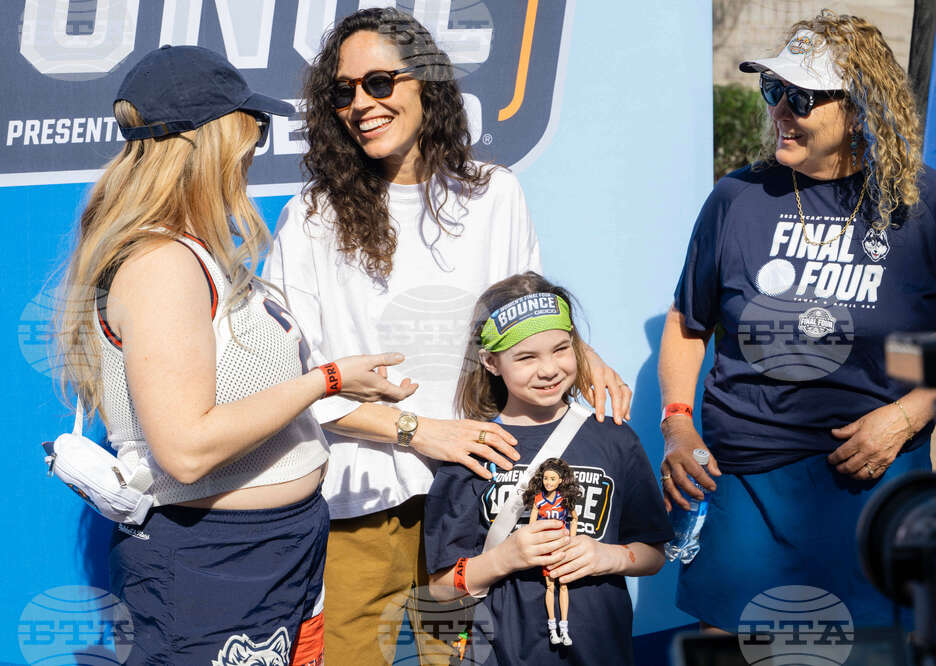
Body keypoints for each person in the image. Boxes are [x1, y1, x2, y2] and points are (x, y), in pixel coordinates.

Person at [263, 8, 633, 664]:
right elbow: (294, 383)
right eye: (343, 92)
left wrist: (581, 349)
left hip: (476, 500)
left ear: (427, 83)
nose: (361, 104)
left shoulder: (496, 195)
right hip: (362, 504)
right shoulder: (311, 219)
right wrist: (420, 431)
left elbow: (518, 318)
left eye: (380, 83)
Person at [53, 45, 415, 664]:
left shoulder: (195, 249)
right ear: (213, 139)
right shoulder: (162, 264)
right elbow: (186, 450)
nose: (255, 147)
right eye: (253, 128)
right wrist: (325, 381)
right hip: (214, 566)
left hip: (276, 556)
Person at [659, 11, 936, 632]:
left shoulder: (921, 206)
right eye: (774, 89)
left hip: (876, 477)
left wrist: (909, 414)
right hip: (747, 486)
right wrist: (676, 422)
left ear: (859, 109)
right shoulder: (737, 198)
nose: (781, 110)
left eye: (802, 98)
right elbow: (687, 322)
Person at [424, 272, 672, 665]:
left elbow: (653, 553)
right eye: (526, 357)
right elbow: (441, 588)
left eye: (560, 349)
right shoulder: (470, 448)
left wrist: (605, 556)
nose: (549, 369)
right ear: (491, 362)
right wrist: (506, 557)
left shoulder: (615, 439)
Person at [525, 458, 582, 646]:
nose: (548, 482)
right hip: (546, 549)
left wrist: (571, 540)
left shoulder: (564, 499)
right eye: (546, 478)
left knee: (564, 586)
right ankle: (552, 630)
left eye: (552, 479)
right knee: (550, 587)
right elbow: (531, 526)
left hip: (562, 548)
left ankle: (564, 629)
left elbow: (574, 519)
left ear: (560, 481)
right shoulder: (538, 500)